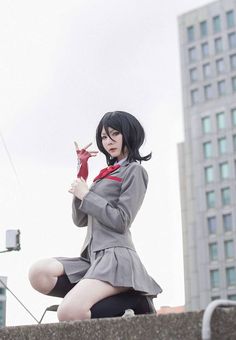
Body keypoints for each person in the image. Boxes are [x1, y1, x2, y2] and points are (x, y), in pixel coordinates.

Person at [28, 111, 162, 321]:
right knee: (39, 273)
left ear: (128, 133)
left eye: (114, 134)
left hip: (116, 259)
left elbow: (121, 221)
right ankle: (116, 297)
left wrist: (87, 195)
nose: (108, 141)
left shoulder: (134, 171)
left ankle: (136, 299)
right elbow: (80, 220)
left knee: (69, 313)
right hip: (91, 259)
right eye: (104, 137)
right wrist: (82, 174)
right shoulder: (105, 175)